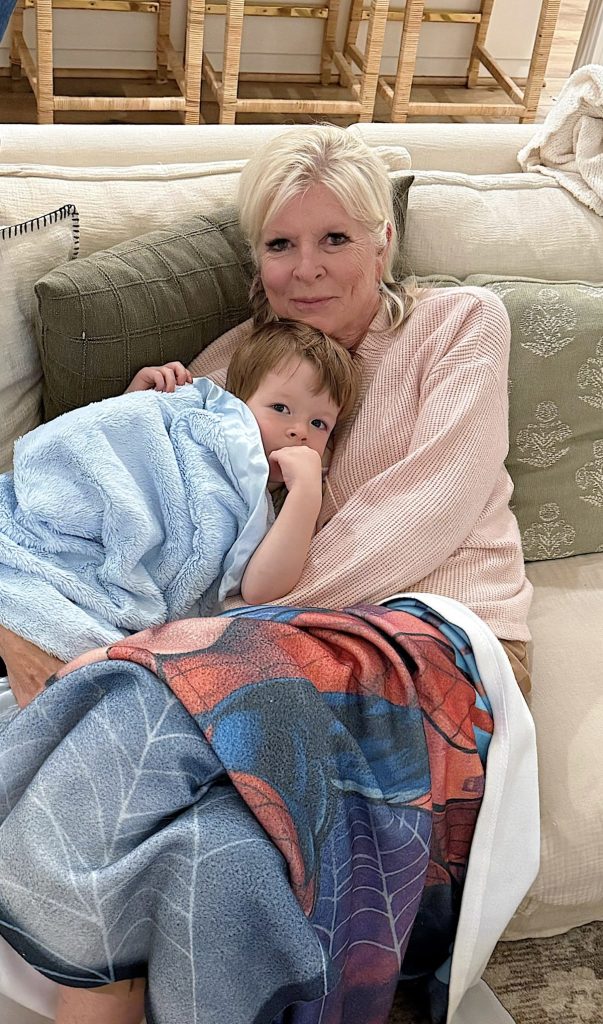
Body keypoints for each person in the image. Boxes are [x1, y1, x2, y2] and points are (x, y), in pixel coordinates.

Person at [0, 123, 533, 1024]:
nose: (307, 269)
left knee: (125, 701)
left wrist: (196, 639)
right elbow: (177, 508)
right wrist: (148, 419)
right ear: (257, 261)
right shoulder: (239, 358)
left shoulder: (459, 324)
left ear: (384, 243)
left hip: (429, 642)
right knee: (219, 861)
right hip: (260, 663)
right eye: (280, 245)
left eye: (335, 239)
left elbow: (418, 516)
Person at [0, 320, 359, 669]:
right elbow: (120, 463)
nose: (298, 431)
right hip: (56, 527)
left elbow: (260, 589)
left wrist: (305, 495)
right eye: (280, 409)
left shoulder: (268, 509)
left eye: (319, 424)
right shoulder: (198, 419)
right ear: (238, 402)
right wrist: (132, 403)